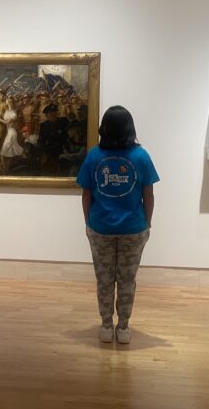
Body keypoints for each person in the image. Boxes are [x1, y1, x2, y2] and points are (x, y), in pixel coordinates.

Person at [76, 106, 160, 344]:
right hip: (134, 229)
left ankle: (105, 326)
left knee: (104, 279)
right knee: (127, 279)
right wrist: (147, 223)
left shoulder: (94, 156)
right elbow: (149, 195)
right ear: (130, 128)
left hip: (100, 228)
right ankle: (122, 328)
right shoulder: (141, 157)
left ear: (104, 128)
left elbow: (86, 194)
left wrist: (88, 223)